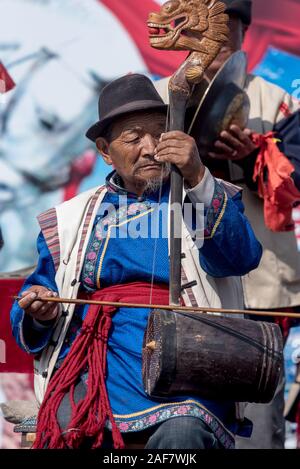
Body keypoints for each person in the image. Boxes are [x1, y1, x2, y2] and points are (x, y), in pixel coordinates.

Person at [10, 73, 262, 449]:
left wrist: (197, 175)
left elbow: (240, 257)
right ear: (105, 150)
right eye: (132, 137)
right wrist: (39, 310)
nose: (149, 148)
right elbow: (38, 292)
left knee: (184, 431)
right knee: (66, 428)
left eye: (159, 133)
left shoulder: (200, 194)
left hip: (187, 362)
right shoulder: (70, 218)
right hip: (96, 365)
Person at [155, 0, 300, 450]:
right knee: (175, 425)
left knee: (256, 430)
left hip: (258, 288)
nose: (216, 37)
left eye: (228, 25)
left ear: (241, 31)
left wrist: (251, 157)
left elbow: (295, 176)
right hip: (169, 283)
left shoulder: (276, 101)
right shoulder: (155, 97)